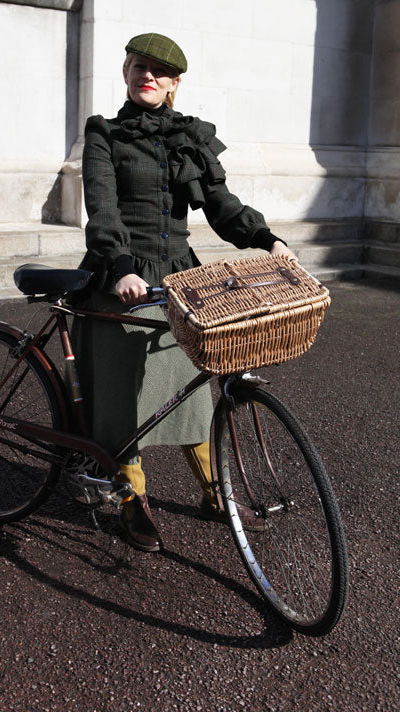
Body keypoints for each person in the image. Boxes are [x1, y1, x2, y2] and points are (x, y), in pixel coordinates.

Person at [72, 32, 296, 552]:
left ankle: (215, 491)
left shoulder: (187, 137)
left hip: (178, 275)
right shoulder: (105, 133)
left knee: (192, 382)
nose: (145, 75)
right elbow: (102, 208)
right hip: (120, 274)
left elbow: (220, 204)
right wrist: (122, 266)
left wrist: (267, 239)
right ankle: (132, 496)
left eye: (157, 70)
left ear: (174, 83)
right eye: (136, 66)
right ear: (126, 74)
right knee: (124, 386)